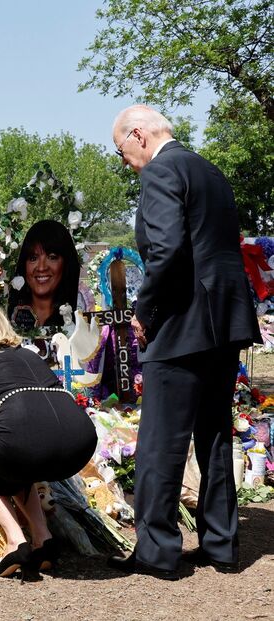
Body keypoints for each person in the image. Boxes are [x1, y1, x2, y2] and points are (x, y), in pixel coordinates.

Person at [106, 105, 261, 580]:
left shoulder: (160, 171)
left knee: (161, 440)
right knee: (214, 434)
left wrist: (144, 310)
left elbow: (168, 249)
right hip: (225, 321)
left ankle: (158, 552)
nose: (125, 161)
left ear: (138, 135)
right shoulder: (211, 172)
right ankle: (221, 544)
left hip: (182, 322)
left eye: (121, 150)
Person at [0, 303, 97, 578]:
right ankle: (43, 539)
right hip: (81, 442)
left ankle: (15, 541)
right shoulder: (30, 356)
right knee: (17, 455)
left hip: (26, 444)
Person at [6, 220, 80, 330]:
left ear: (66, 263)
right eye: (33, 258)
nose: (41, 267)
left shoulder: (80, 318)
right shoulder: (5, 320)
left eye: (52, 257)